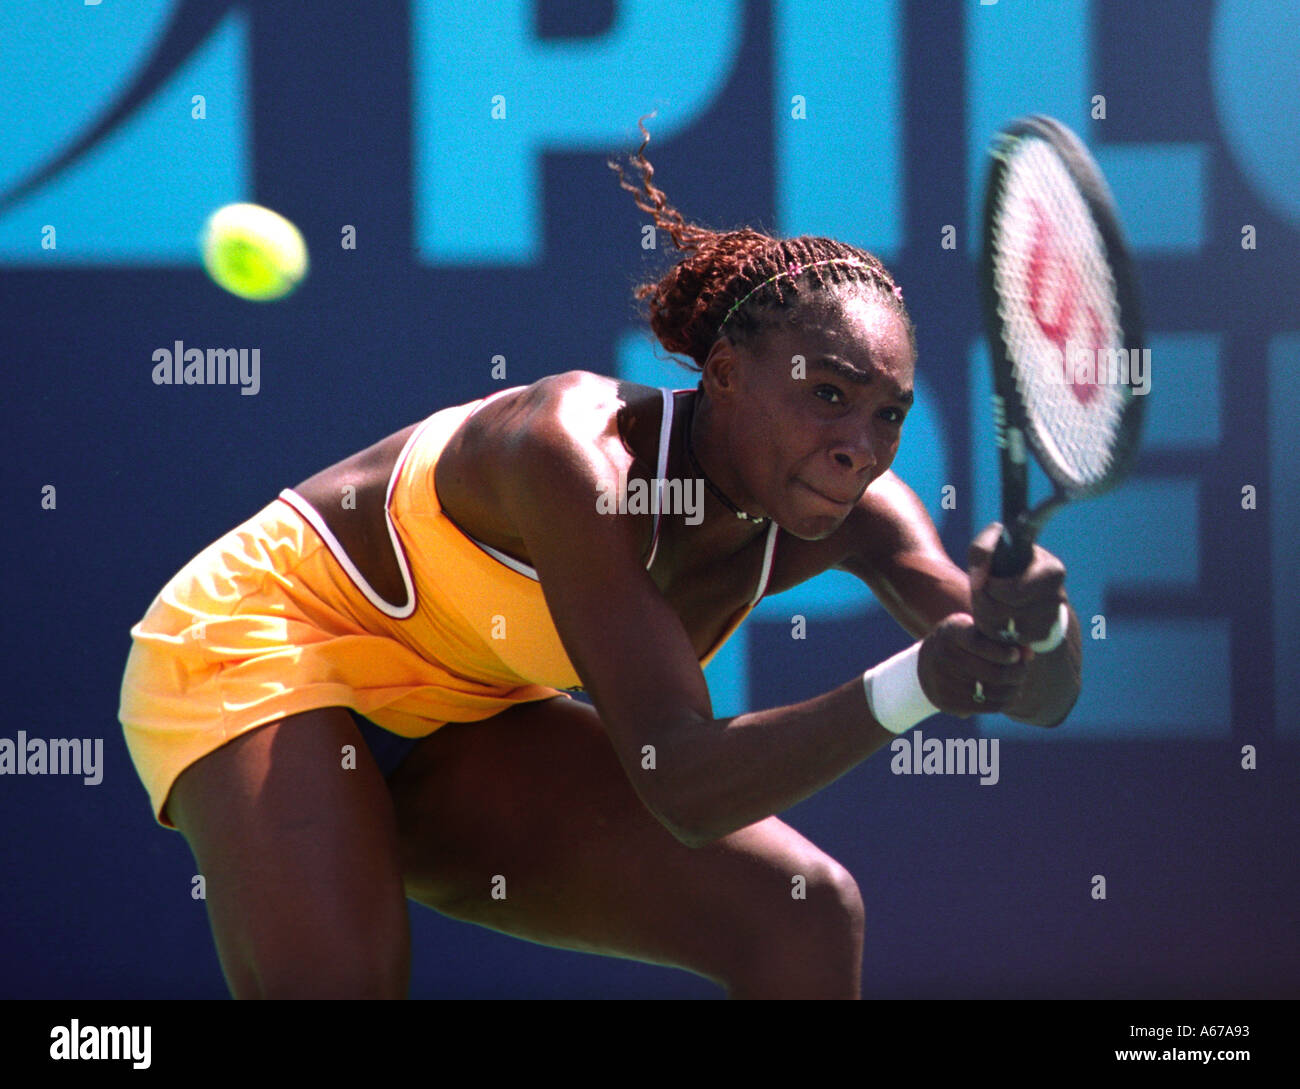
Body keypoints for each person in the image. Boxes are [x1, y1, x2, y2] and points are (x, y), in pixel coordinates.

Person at [118, 122, 1080, 999]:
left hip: (462, 709)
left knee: (801, 911)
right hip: (262, 642)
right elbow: (684, 783)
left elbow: (1035, 690)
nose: (858, 446)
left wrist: (1037, 622)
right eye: (827, 393)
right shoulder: (573, 454)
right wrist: (919, 679)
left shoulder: (864, 512)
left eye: (887, 415)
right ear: (727, 377)